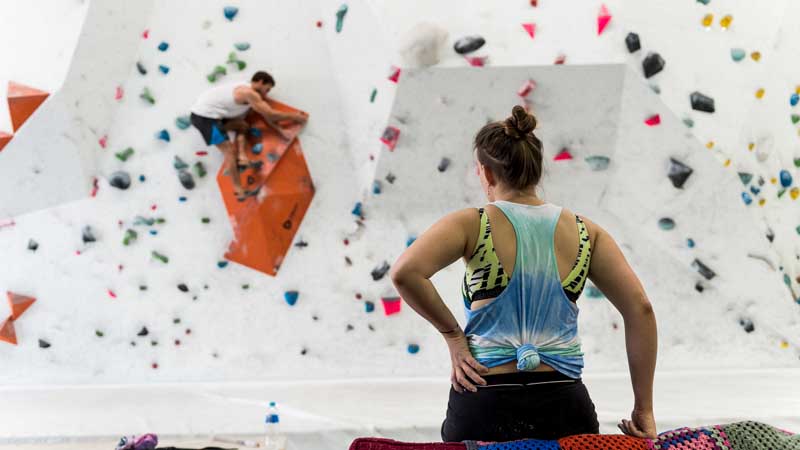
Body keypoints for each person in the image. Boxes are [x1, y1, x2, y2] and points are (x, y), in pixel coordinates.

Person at [389, 105, 658, 442]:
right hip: (563, 404)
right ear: (537, 170)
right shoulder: (587, 233)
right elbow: (641, 310)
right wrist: (643, 409)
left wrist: (453, 337)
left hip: (485, 399)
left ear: (486, 173)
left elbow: (405, 273)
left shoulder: (473, 224)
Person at [189, 71, 307, 200]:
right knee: (229, 151)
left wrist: (280, 130)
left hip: (214, 117)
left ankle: (242, 158)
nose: (266, 94)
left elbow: (266, 115)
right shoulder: (248, 93)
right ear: (260, 82)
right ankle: (239, 191)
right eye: (266, 89)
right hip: (205, 117)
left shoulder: (250, 96)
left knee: (242, 126)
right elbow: (271, 114)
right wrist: (295, 117)